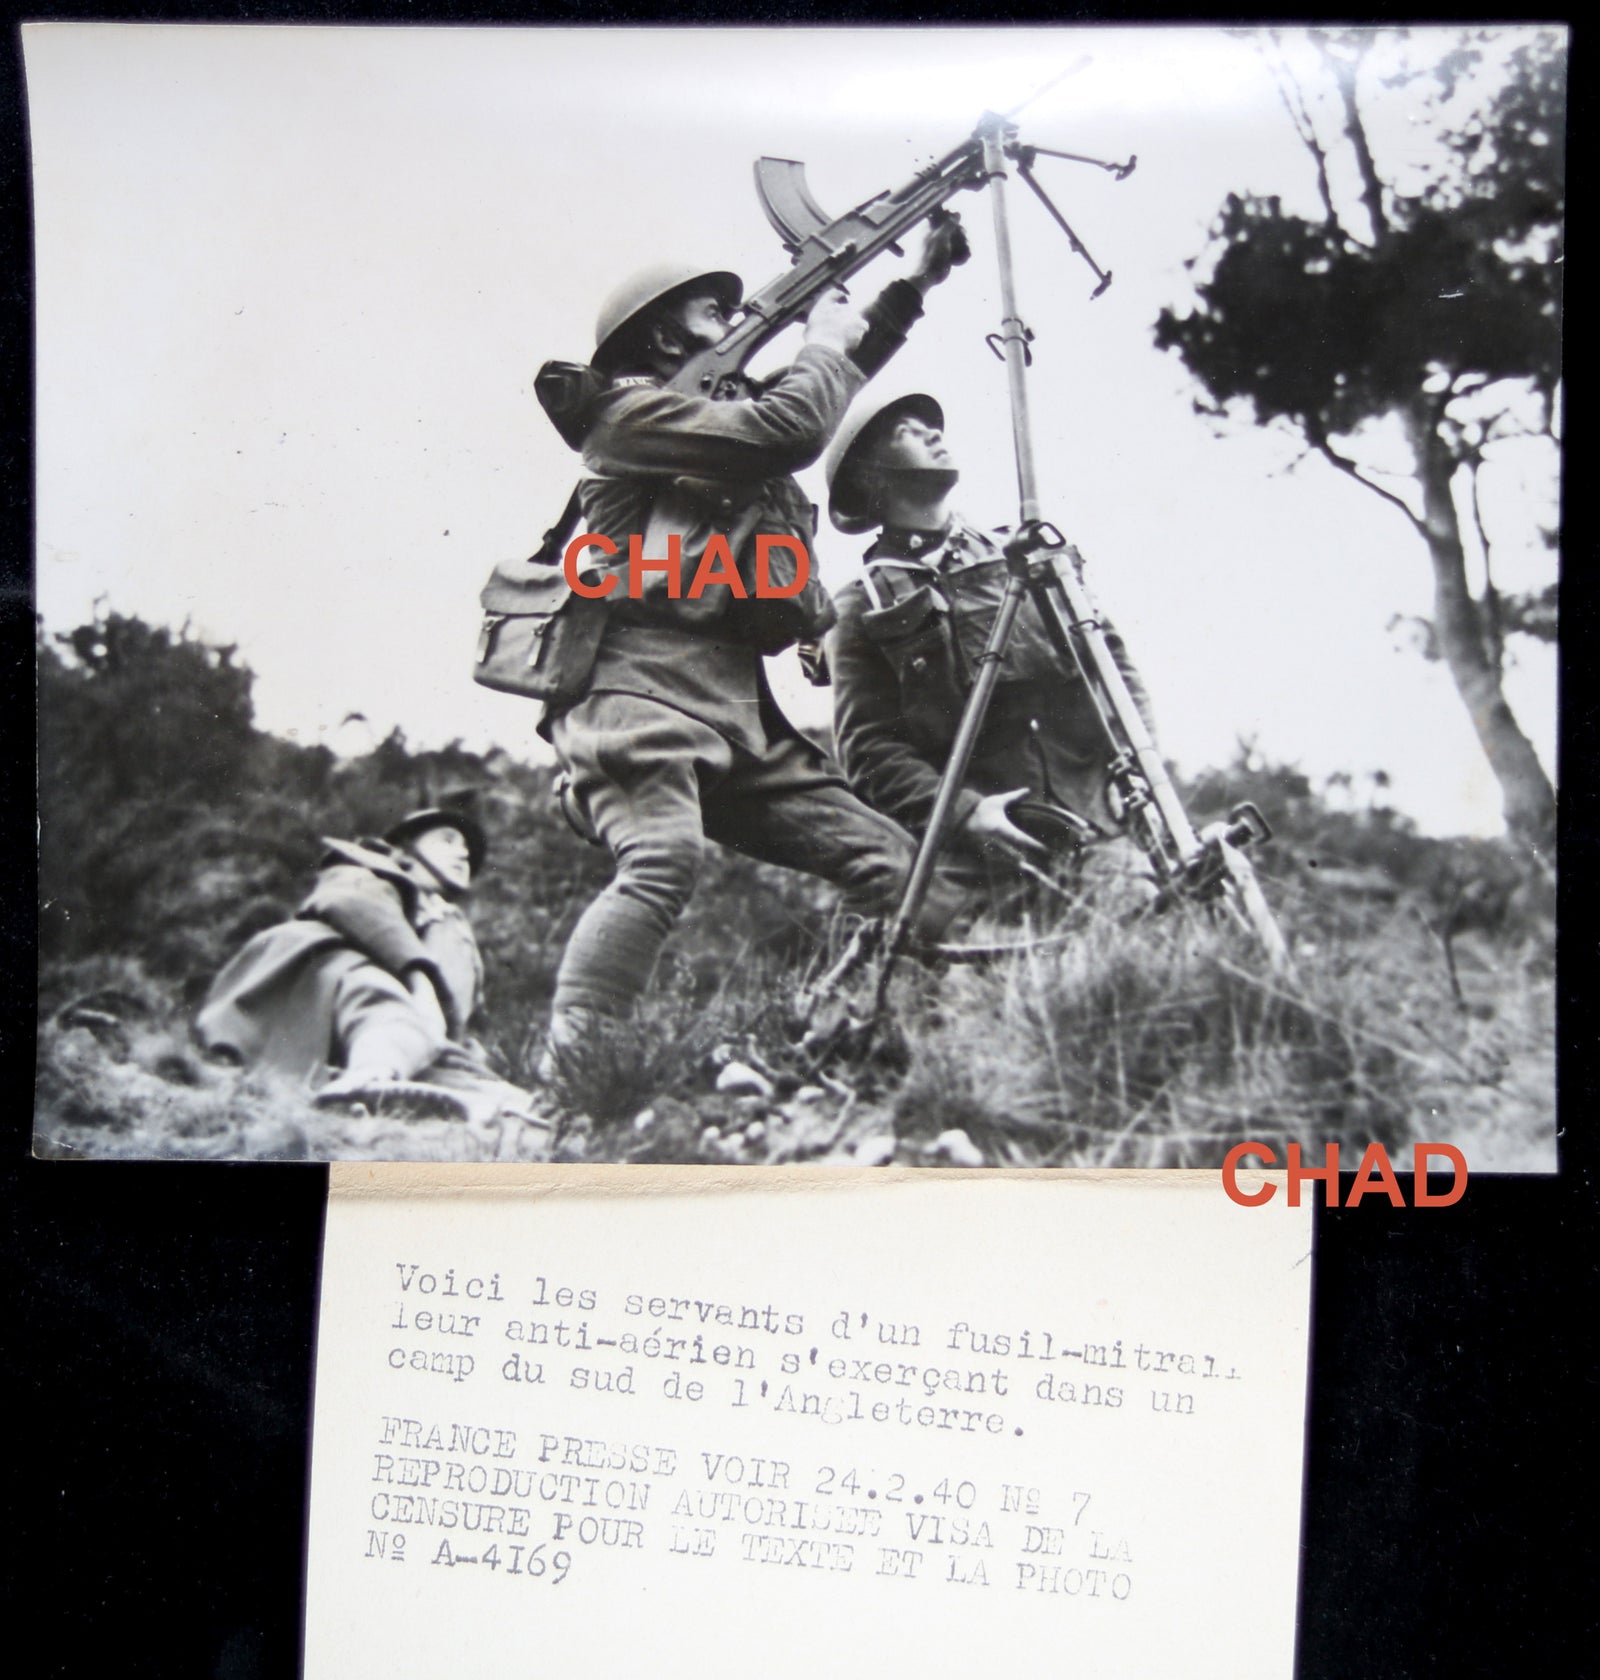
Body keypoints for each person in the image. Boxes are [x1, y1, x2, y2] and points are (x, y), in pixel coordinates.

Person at [535, 225, 969, 1065]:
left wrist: (910, 285)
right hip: (637, 698)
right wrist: (817, 337)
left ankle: (914, 1048)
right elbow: (794, 424)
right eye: (715, 311)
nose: (736, 320)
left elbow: (828, 386)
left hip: (735, 715)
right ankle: (578, 1074)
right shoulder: (626, 417)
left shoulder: (713, 418)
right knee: (661, 860)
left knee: (899, 869)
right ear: (665, 338)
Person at [821, 391, 1157, 901]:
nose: (935, 434)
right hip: (979, 861)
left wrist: (1137, 767)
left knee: (1146, 945)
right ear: (871, 477)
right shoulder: (862, 604)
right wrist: (965, 813)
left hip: (1100, 829)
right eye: (906, 431)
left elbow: (1114, 670)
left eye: (929, 427)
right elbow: (868, 751)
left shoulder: (1030, 559)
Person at [196, 806, 537, 1124]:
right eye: (447, 840)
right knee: (378, 994)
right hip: (315, 977)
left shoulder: (448, 924)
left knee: (493, 1090)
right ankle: (368, 1077)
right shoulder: (364, 867)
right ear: (403, 850)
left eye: (466, 849)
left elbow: (459, 1021)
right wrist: (420, 979)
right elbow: (354, 904)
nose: (463, 853)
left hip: (398, 1036)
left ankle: (381, 1079)